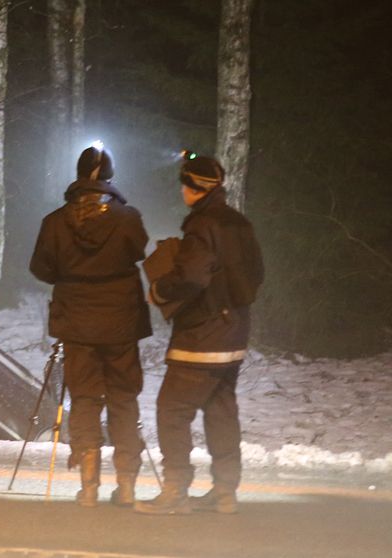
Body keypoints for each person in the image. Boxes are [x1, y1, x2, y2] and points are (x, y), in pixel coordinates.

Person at [135, 155, 264, 515]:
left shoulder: (202, 226)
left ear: (196, 188)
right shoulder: (239, 223)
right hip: (234, 333)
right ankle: (225, 492)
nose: (181, 191)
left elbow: (192, 276)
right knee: (220, 410)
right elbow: (257, 273)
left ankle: (175, 489)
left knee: (172, 408)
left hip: (202, 337)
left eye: (185, 185)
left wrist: (161, 291)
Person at [29, 146, 152, 507]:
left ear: (79, 174)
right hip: (121, 323)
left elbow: (40, 268)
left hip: (77, 323)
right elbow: (140, 250)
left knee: (84, 397)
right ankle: (127, 483)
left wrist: (69, 274)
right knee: (124, 398)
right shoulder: (127, 218)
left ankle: (88, 485)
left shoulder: (54, 221)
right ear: (110, 177)